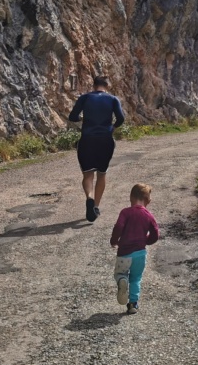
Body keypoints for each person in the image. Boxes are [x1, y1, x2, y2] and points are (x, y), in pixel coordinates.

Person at [68, 75, 125, 222]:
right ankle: (96, 207)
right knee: (102, 174)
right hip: (105, 140)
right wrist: (112, 128)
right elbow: (121, 119)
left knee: (87, 175)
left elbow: (73, 116)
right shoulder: (113, 99)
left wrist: (83, 119)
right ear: (107, 85)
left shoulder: (84, 98)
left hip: (87, 139)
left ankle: (89, 198)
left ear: (94, 85)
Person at [110, 183, 159, 315]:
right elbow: (155, 233)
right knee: (136, 278)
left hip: (124, 253)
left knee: (120, 273)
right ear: (148, 200)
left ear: (130, 197)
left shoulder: (125, 212)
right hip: (140, 254)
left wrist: (114, 241)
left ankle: (122, 280)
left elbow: (118, 227)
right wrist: (146, 240)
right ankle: (132, 304)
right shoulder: (148, 215)